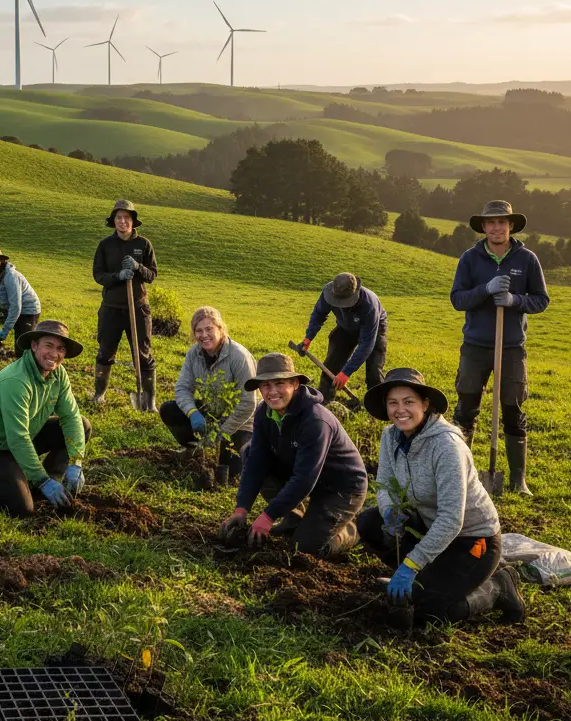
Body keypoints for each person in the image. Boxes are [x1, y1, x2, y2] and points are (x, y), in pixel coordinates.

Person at [356, 368, 525, 624]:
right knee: (371, 522)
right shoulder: (390, 436)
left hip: (472, 540)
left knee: (429, 614)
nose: (400, 410)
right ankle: (423, 578)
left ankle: (498, 587)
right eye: (393, 403)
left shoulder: (446, 446)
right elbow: (385, 485)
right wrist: (390, 510)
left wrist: (412, 563)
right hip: (429, 526)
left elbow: (451, 519)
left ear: (425, 404)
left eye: (408, 402)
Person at [218, 353, 367, 558]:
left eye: (279, 383)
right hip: (305, 474)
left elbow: (304, 479)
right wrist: (241, 508)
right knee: (250, 452)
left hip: (341, 487)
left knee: (306, 548)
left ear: (295, 384)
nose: (272, 392)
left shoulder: (315, 421)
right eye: (265, 385)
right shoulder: (264, 412)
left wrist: (268, 516)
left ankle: (354, 529)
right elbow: (256, 462)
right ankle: (294, 517)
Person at [450, 200, 549, 495]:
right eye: (491, 223)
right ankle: (461, 474)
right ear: (483, 227)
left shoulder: (527, 259)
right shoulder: (470, 259)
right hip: (476, 345)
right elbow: (457, 299)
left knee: (513, 408)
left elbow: (541, 300)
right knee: (466, 407)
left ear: (511, 226)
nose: (496, 227)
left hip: (511, 346)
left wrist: (514, 301)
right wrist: (486, 290)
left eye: (502, 222)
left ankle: (518, 480)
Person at [0, 320, 92, 516]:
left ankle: (48, 480)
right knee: (20, 509)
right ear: (34, 346)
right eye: (48, 346)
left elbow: (71, 417)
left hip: (24, 434)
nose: (54, 354)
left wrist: (76, 461)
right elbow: (17, 437)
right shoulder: (16, 381)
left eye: (60, 348)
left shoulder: (58, 374)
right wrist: (41, 480)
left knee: (82, 425)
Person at [159, 306, 256, 486]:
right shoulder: (194, 354)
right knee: (169, 409)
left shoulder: (239, 356)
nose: (204, 335)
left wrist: (222, 432)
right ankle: (193, 449)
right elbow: (182, 388)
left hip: (241, 421)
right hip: (211, 412)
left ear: (220, 329)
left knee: (231, 472)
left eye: (209, 329)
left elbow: (248, 403)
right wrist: (193, 413)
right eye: (199, 331)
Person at [91, 199, 157, 407]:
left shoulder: (143, 244)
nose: (122, 221)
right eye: (119, 217)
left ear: (133, 221)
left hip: (137, 307)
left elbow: (152, 275)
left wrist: (138, 267)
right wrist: (118, 276)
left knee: (143, 353)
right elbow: (98, 275)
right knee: (105, 351)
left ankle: (149, 401)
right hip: (111, 308)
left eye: (126, 218)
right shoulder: (105, 245)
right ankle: (99, 393)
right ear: (114, 221)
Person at [297, 272, 387, 405]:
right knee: (331, 364)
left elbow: (366, 344)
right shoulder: (328, 292)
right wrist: (308, 338)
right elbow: (319, 314)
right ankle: (324, 400)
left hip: (374, 330)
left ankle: (376, 405)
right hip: (345, 327)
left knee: (374, 372)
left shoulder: (369, 304)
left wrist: (346, 373)